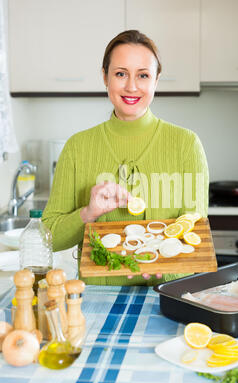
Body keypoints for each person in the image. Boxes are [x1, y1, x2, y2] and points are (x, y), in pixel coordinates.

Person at [42, 30, 209, 286]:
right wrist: (88, 213)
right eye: (121, 74)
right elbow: (49, 237)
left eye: (143, 75)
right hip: (97, 301)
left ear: (156, 80)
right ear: (105, 77)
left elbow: (193, 233)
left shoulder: (187, 145)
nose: (132, 86)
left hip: (166, 295)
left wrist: (157, 265)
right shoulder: (77, 147)